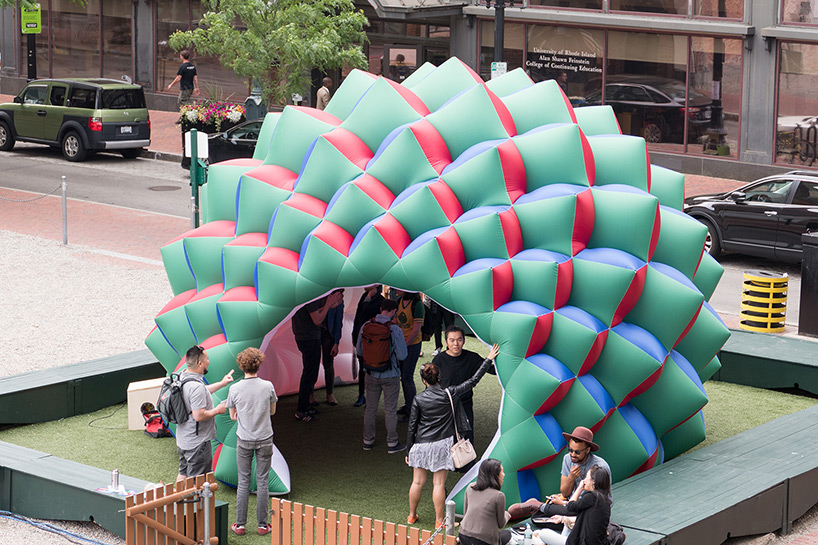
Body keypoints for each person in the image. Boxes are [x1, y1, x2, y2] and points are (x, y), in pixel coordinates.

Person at [405, 344, 500, 526]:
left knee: (417, 482)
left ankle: (411, 515)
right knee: (438, 485)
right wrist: (488, 359)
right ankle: (440, 521)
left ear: (424, 381)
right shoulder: (450, 393)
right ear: (439, 377)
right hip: (442, 444)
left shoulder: (418, 399)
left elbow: (411, 427)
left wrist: (409, 451)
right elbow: (473, 381)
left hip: (420, 444)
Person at [226, 347, 278, 537]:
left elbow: (232, 416)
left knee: (243, 481)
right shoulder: (268, 386)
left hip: (244, 439)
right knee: (263, 481)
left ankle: (240, 525)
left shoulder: (234, 388)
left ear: (241, 366)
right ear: (259, 364)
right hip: (265, 438)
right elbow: (272, 412)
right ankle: (263, 525)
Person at [175, 345, 233, 481]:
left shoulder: (182, 376)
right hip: (197, 443)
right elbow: (199, 415)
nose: (209, 361)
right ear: (200, 363)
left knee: (183, 472)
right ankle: (195, 502)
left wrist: (222, 383)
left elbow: (201, 393)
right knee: (198, 481)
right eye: (207, 359)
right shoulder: (196, 387)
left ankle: (177, 500)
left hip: (183, 439)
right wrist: (217, 410)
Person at [357, 299, 408, 453]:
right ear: (394, 311)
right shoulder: (395, 329)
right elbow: (402, 355)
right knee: (390, 410)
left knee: (370, 409)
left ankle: (368, 441)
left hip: (371, 373)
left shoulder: (366, 325)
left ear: (381, 308)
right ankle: (392, 443)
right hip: (390, 374)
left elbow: (359, 351)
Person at [434, 325, 497, 444]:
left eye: (459, 339)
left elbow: (492, 370)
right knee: (445, 438)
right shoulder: (439, 359)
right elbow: (432, 384)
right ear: (446, 342)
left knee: (467, 437)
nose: (455, 344)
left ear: (464, 341)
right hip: (445, 405)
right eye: (452, 340)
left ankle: (469, 462)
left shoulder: (472, 357)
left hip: (465, 404)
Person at [291, 291, 344, 422]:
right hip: (309, 338)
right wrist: (328, 305)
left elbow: (313, 313)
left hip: (305, 338)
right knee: (309, 375)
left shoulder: (303, 296)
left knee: (310, 373)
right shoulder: (310, 297)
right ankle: (302, 411)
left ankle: (306, 407)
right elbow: (317, 320)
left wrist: (328, 306)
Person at [537, 465, 612, 545]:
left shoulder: (592, 496)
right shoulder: (605, 500)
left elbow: (571, 507)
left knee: (542, 533)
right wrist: (563, 518)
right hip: (598, 542)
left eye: (586, 477)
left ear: (593, 481)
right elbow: (588, 519)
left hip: (583, 542)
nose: (584, 480)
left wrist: (579, 488)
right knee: (566, 525)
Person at [458, 459, 512, 545]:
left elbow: (466, 513)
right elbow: (501, 524)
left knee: (504, 535)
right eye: (502, 472)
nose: (504, 475)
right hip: (483, 541)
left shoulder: (470, 487)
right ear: (495, 475)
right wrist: (508, 514)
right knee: (507, 535)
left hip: (463, 535)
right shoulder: (499, 496)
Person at [351, 284, 385, 407]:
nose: (365, 284)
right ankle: (361, 395)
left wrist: (368, 299)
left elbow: (365, 314)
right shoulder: (364, 296)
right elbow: (358, 318)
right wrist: (354, 335)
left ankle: (370, 397)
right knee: (362, 368)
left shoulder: (380, 301)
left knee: (372, 369)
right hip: (361, 337)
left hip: (373, 340)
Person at [394, 289, 425, 421]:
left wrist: (404, 345)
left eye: (398, 287)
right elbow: (396, 320)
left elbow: (416, 330)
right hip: (402, 344)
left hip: (412, 345)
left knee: (407, 377)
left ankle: (412, 411)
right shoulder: (399, 301)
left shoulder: (417, 304)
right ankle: (408, 406)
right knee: (403, 376)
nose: (395, 288)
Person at [311, 288, 343, 407]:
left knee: (328, 363)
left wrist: (336, 342)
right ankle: (310, 394)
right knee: (312, 364)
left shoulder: (338, 299)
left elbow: (338, 322)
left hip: (328, 334)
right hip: (313, 333)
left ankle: (330, 393)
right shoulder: (317, 295)